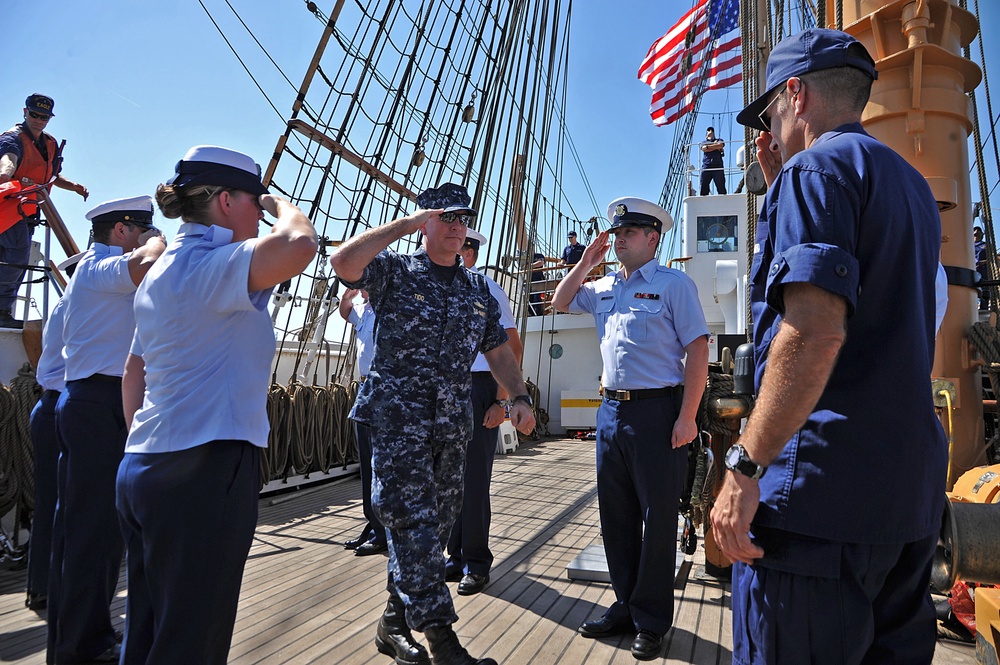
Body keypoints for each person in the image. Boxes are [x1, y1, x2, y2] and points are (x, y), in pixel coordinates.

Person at [710, 29, 947, 665]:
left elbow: (814, 332)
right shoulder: (912, 187)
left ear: (795, 94)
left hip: (817, 511)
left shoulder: (816, 170)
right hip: (903, 503)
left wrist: (746, 467)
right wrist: (778, 186)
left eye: (768, 115)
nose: (766, 130)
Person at [116, 146, 317, 664]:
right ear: (226, 201)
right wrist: (285, 205)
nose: (259, 212)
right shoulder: (215, 264)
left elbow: (133, 370)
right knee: (191, 643)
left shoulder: (159, 272)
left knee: (147, 635)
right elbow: (298, 245)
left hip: (141, 466)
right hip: (203, 471)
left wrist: (141, 442)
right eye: (253, 201)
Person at [330, 182, 536, 665]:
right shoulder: (394, 272)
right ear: (425, 223)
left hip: (450, 423)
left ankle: (391, 623)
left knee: (435, 527)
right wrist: (405, 223)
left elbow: (498, 350)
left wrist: (519, 396)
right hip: (399, 421)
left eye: (461, 219)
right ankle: (443, 642)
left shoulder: (475, 289)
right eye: (444, 218)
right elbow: (342, 263)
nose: (455, 227)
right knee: (412, 523)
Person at [551, 197, 709, 661]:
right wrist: (584, 262)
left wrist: (688, 418)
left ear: (652, 238)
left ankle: (653, 619)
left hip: (658, 413)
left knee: (658, 521)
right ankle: (624, 605)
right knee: (615, 518)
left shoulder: (674, 285)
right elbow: (559, 301)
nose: (618, 239)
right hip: (610, 415)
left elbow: (697, 352)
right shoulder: (602, 286)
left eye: (629, 233)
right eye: (616, 233)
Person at [50, 196, 166, 664]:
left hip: (100, 403)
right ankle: (80, 645)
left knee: (95, 533)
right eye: (144, 227)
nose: (150, 234)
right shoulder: (100, 269)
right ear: (122, 231)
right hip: (97, 406)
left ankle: (81, 637)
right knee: (91, 535)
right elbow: (150, 260)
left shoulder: (101, 272)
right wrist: (158, 242)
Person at [446, 228, 523, 596]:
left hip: (480, 389)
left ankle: (476, 563)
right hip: (446, 387)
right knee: (449, 477)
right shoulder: (436, 284)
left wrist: (501, 401)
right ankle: (455, 554)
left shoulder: (487, 288)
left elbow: (513, 347)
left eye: (461, 247)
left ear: (471, 252)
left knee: (474, 481)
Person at [25, 252, 83, 613]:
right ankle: (53, 586)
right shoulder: (82, 308)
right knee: (65, 503)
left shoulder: (66, 306)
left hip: (52, 407)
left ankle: (44, 584)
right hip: (65, 408)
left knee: (55, 501)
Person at [0, 94, 89, 329]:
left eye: (44, 117)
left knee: (18, 258)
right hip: (8, 211)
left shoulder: (48, 143)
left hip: (28, 212)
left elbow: (51, 175)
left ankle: (4, 309)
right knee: (16, 256)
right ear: (24, 112)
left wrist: (74, 186)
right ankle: (1, 309)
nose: (39, 120)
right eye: (35, 115)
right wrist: (5, 174)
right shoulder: (12, 139)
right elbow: (8, 160)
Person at [339, 287, 388, 556]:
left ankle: (383, 531)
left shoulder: (389, 306)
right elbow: (345, 312)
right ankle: (372, 525)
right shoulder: (363, 310)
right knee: (367, 462)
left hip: (384, 387)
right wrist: (348, 295)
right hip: (364, 388)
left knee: (380, 463)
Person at [699, 126, 727, 195]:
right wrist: (715, 146)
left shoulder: (719, 140)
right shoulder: (704, 142)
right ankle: (704, 199)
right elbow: (704, 148)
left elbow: (720, 145)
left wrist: (708, 147)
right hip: (707, 165)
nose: (710, 131)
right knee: (704, 185)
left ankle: (723, 200)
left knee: (721, 185)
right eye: (708, 130)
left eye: (712, 130)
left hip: (717, 165)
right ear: (706, 135)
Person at [975, 227, 990, 310]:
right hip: (971, 268)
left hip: (983, 270)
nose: (976, 232)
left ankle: (983, 308)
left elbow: (992, 257)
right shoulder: (967, 245)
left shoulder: (985, 246)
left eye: (979, 231)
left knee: (984, 289)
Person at [528, 250, 546, 315]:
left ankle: (539, 314)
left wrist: (529, 266)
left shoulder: (539, 255)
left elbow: (540, 263)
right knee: (529, 300)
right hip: (528, 281)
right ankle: (531, 315)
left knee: (537, 298)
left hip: (538, 280)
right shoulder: (525, 257)